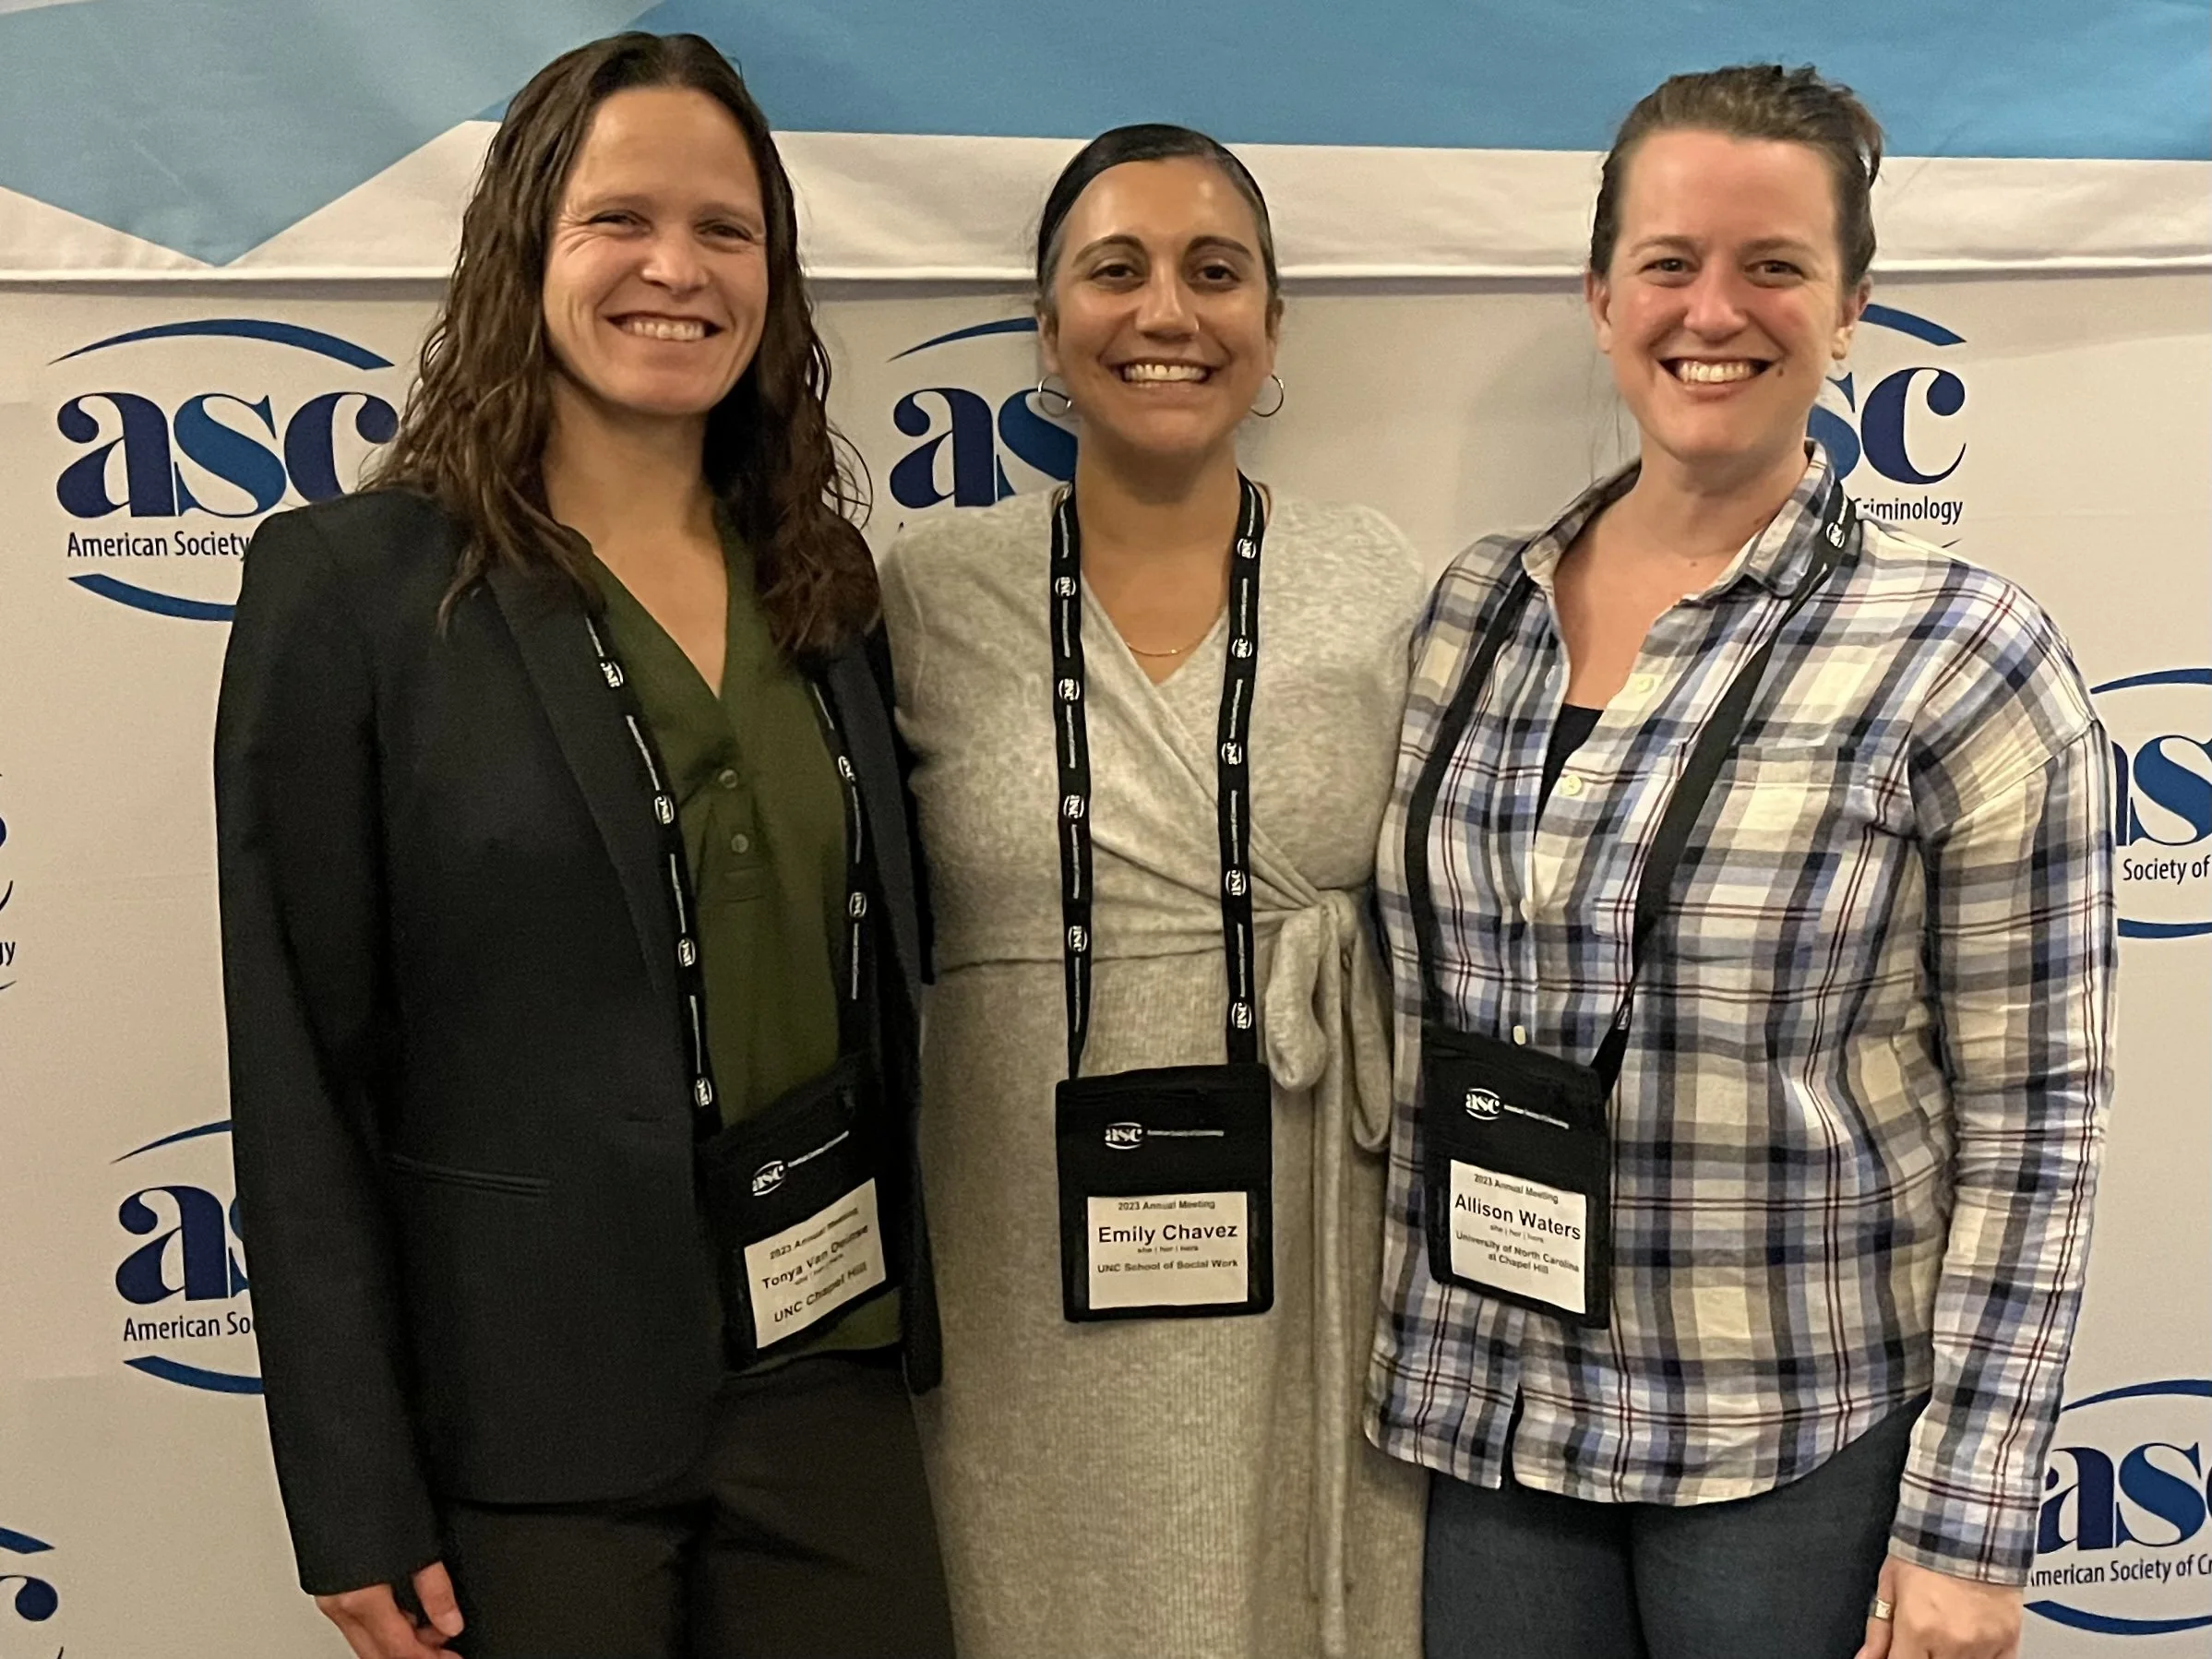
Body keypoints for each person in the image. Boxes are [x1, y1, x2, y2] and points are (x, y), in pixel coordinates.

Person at [214, 32, 953, 1659]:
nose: (675, 270)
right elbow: (301, 1069)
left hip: (825, 1379)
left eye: (725, 229)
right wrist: (352, 1492)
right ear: (524, 247)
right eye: (621, 219)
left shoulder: (824, 585)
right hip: (528, 1430)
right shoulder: (357, 591)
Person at [1369, 65, 2115, 1659]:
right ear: (1600, 296)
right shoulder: (1469, 616)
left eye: (1774, 265)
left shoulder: (1964, 653)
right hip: (1493, 1412)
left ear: (1849, 309)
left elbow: (2040, 1118)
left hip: (1789, 1438)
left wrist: (1971, 1521)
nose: (1715, 310)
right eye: (1669, 262)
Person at [880, 125, 1429, 1658]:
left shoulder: (1381, 583)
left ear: (1272, 322)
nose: (1166, 312)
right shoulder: (926, 594)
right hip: (1015, 1236)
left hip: (1308, 1219)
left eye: (1215, 271)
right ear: (1048, 325)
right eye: (1114, 270)